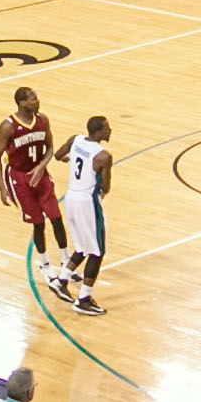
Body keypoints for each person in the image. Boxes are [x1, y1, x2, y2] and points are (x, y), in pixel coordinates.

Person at [0, 86, 66, 284]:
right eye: (33, 99)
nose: (37, 101)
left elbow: (50, 147)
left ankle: (66, 261)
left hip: (39, 173)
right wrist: (2, 187)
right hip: (19, 177)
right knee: (38, 222)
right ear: (22, 103)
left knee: (56, 217)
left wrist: (43, 165)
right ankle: (45, 264)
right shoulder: (8, 126)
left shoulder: (43, 119)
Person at [55, 114, 113, 313]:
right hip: (87, 202)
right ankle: (84, 299)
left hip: (70, 197)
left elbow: (57, 155)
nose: (110, 131)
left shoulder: (75, 140)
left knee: (81, 246)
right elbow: (106, 186)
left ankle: (61, 280)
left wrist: (69, 161)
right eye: (107, 128)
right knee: (97, 252)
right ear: (98, 132)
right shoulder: (103, 156)